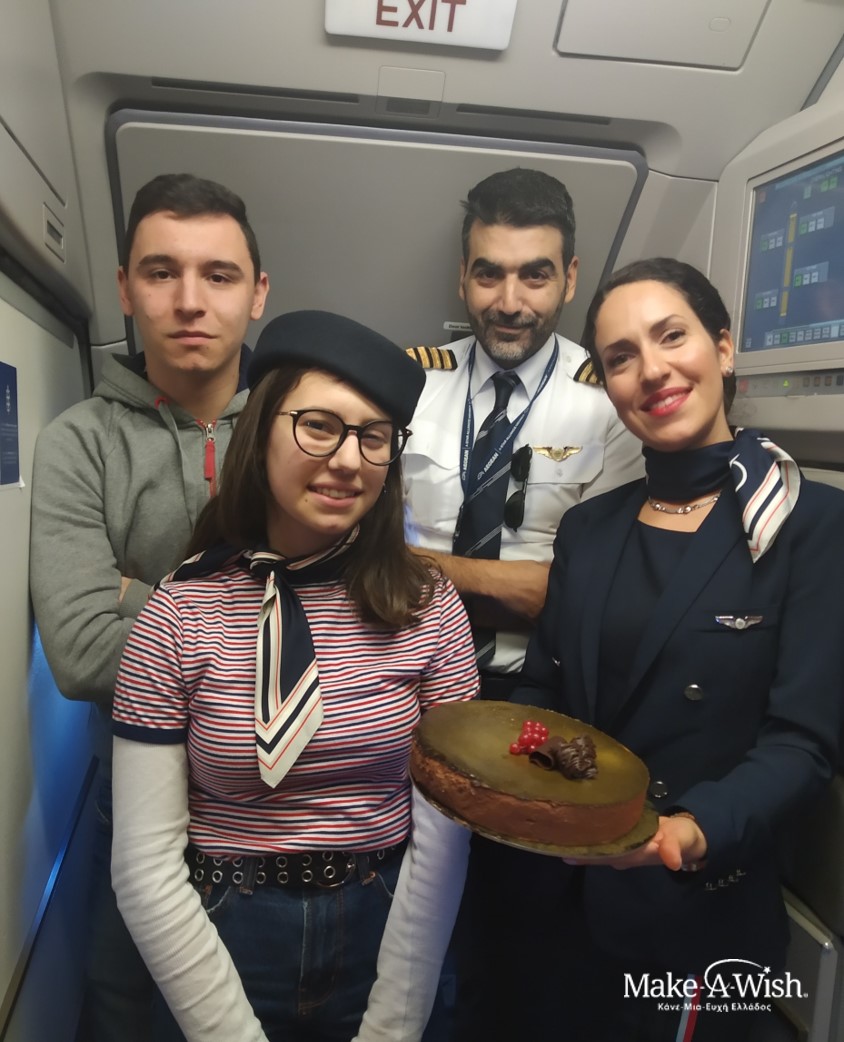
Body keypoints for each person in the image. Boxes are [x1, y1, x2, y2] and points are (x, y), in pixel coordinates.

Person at [110, 310, 479, 1042]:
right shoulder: (179, 613)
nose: (348, 460)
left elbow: (444, 836)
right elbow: (144, 863)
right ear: (261, 432)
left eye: (374, 437)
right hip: (219, 932)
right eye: (318, 426)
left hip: (389, 923)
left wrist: (395, 1023)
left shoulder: (430, 608)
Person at [511, 258, 844, 1040]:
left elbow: (802, 744)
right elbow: (541, 690)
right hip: (563, 899)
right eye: (621, 357)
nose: (652, 370)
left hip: (700, 912)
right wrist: (523, 781)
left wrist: (688, 831)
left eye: (671, 336)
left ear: (722, 347)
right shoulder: (590, 529)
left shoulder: (807, 525)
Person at [401, 167, 643, 1038]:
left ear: (569, 278)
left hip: (536, 704)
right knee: (406, 932)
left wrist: (406, 565)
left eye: (535, 274)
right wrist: (495, 584)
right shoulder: (409, 383)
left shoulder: (613, 402)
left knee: (516, 946)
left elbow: (573, 599)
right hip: (409, 692)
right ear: (462, 277)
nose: (509, 301)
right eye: (489, 274)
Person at [29, 172, 270, 1041]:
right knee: (126, 1018)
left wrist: (141, 592)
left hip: (286, 821)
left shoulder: (304, 429)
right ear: (126, 288)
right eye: (162, 272)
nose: (189, 300)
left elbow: (344, 631)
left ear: (257, 293)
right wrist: (255, 615)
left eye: (218, 274)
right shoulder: (78, 443)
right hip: (137, 809)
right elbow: (82, 652)